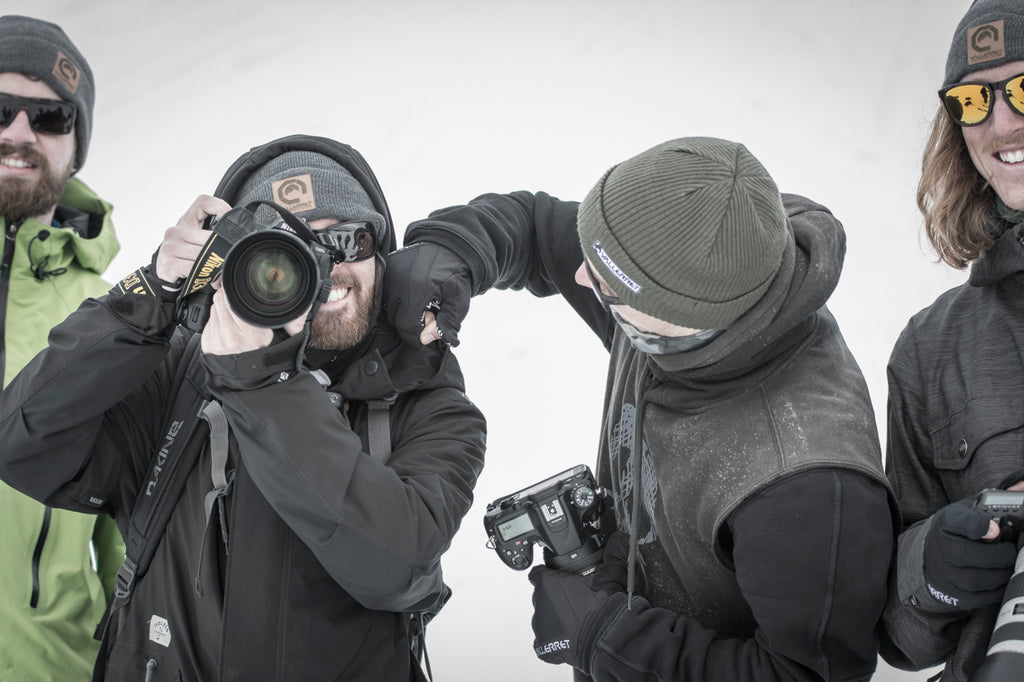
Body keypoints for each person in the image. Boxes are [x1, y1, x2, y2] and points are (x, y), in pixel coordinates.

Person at [385, 136, 897, 681]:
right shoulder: (679, 285)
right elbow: (537, 230)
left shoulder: (806, 484)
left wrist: (610, 637)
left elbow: (807, 675)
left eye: (606, 283)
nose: (582, 277)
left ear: (679, 311)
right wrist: (456, 251)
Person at [0, 133, 486, 681]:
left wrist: (265, 385)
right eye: (289, 252)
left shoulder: (430, 403)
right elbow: (23, 444)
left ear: (384, 253)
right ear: (232, 266)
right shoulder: (178, 379)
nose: (328, 268)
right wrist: (146, 303)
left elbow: (396, 563)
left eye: (350, 240)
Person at [879, 1, 1024, 680]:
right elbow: (899, 640)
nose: (1000, 123)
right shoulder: (929, 347)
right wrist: (930, 566)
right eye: (972, 99)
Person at [0, 15, 125, 681]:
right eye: (1, 109)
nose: (19, 133)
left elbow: (137, 541)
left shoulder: (113, 319)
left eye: (49, 117)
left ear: (74, 147)